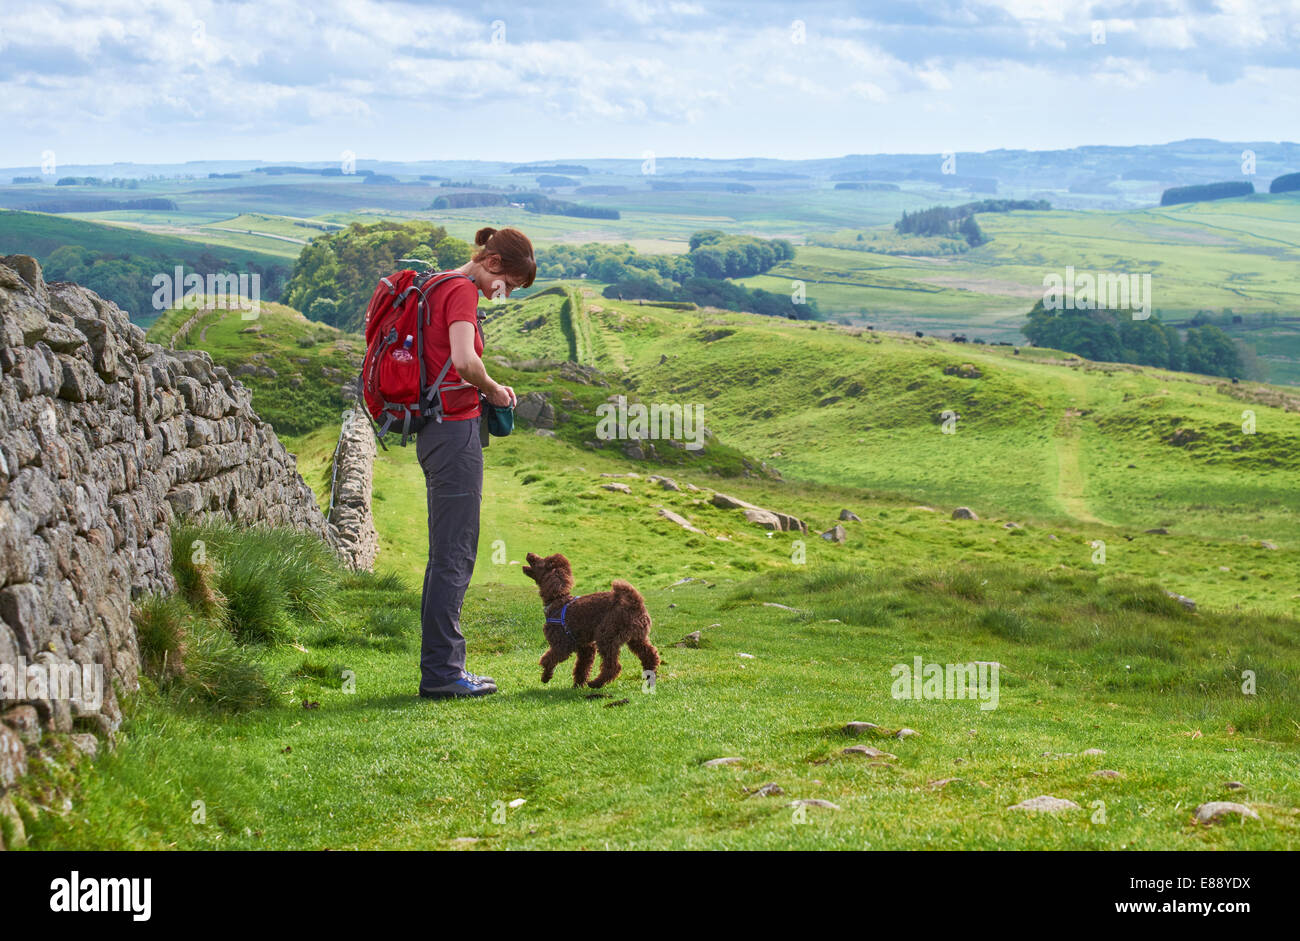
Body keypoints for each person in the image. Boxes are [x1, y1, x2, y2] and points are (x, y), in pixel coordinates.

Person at [416, 226, 534, 699]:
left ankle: (442, 668)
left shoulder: (437, 283)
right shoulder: (463, 292)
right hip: (453, 428)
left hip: (431, 425)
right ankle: (443, 675)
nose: (503, 296)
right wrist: (496, 391)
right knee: (455, 555)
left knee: (446, 553)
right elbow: (464, 362)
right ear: (495, 264)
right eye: (509, 286)